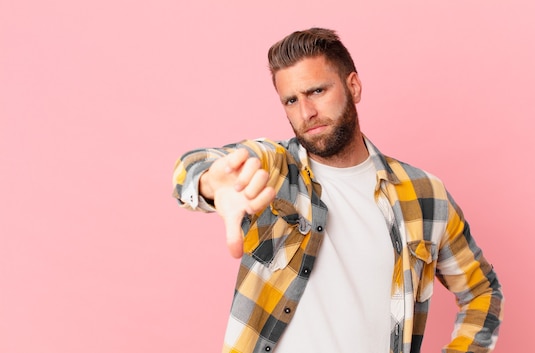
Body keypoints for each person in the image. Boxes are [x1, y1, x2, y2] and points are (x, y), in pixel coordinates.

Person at [172, 27, 503, 353]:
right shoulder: (275, 172)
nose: (306, 112)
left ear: (353, 86)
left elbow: (482, 291)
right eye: (291, 100)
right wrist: (210, 182)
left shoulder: (424, 194)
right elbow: (202, 164)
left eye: (317, 91)